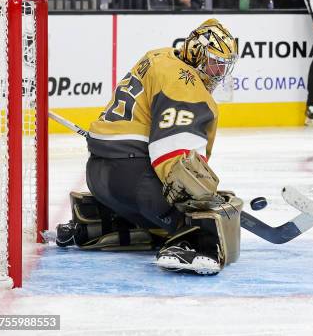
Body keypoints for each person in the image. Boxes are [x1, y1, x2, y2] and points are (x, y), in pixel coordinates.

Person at [55, 19, 242, 275]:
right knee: (197, 222)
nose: (219, 73)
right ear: (197, 53)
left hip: (98, 175)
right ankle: (186, 244)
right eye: (215, 63)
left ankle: (97, 222)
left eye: (224, 66)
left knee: (156, 223)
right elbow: (177, 161)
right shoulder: (186, 85)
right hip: (133, 180)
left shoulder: (158, 56)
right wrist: (197, 201)